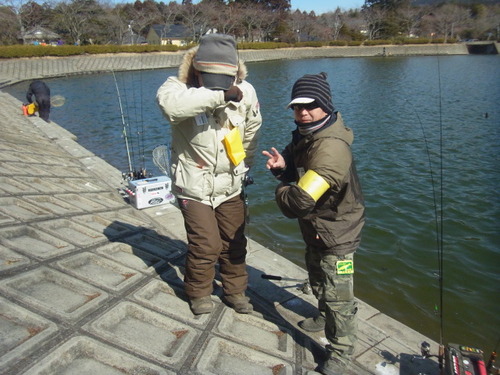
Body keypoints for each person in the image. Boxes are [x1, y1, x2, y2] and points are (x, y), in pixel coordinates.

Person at [262, 72, 365, 375]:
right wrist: (284, 168)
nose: (302, 112)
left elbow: (297, 202)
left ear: (326, 106)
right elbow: (299, 170)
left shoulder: (331, 148)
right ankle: (323, 314)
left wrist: (281, 188)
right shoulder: (306, 135)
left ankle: (342, 353)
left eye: (310, 105)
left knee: (339, 295)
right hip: (316, 228)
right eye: (296, 107)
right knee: (318, 277)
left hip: (338, 233)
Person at [156, 34, 262, 315]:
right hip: (193, 186)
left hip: (231, 184)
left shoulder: (247, 91)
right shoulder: (176, 88)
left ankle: (235, 291)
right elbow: (170, 108)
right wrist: (220, 94)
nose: (217, 82)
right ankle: (198, 292)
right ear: (197, 70)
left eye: (224, 78)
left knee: (235, 242)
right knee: (206, 245)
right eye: (209, 76)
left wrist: (245, 166)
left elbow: (252, 128)